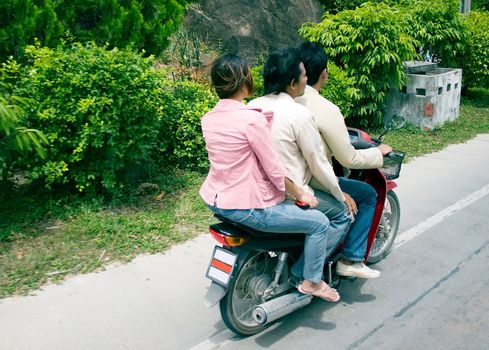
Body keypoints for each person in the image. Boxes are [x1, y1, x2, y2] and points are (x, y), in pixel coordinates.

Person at [199, 53, 340, 302]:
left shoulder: (208, 119)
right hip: (246, 206)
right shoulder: (251, 118)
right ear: (245, 81)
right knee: (319, 223)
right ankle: (312, 282)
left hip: (215, 200)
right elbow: (274, 167)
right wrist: (301, 194)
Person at [248, 48, 380, 279]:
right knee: (342, 212)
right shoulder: (300, 113)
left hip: (257, 186)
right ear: (292, 82)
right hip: (292, 189)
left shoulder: (252, 105)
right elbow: (320, 163)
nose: (306, 79)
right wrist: (340, 195)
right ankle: (304, 273)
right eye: (302, 75)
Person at [296, 41, 394, 278]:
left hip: (282, 178)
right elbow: (348, 158)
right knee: (367, 195)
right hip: (309, 182)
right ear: (324, 73)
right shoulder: (324, 108)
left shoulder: (276, 101)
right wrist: (378, 152)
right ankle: (351, 258)